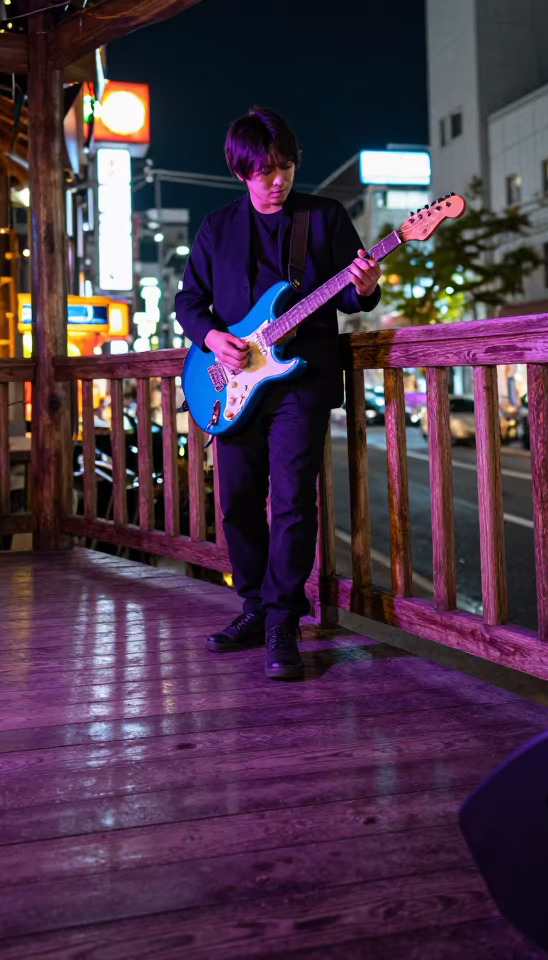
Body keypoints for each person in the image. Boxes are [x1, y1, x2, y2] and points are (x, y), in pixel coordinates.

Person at [175, 108, 381, 680]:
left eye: (285, 167)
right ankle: (254, 606)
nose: (277, 180)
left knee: (293, 500)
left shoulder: (325, 217)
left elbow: (352, 294)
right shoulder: (217, 228)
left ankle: (283, 619)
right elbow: (188, 301)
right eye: (264, 170)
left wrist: (364, 287)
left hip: (302, 380)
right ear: (241, 172)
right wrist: (214, 339)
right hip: (233, 383)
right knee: (238, 499)